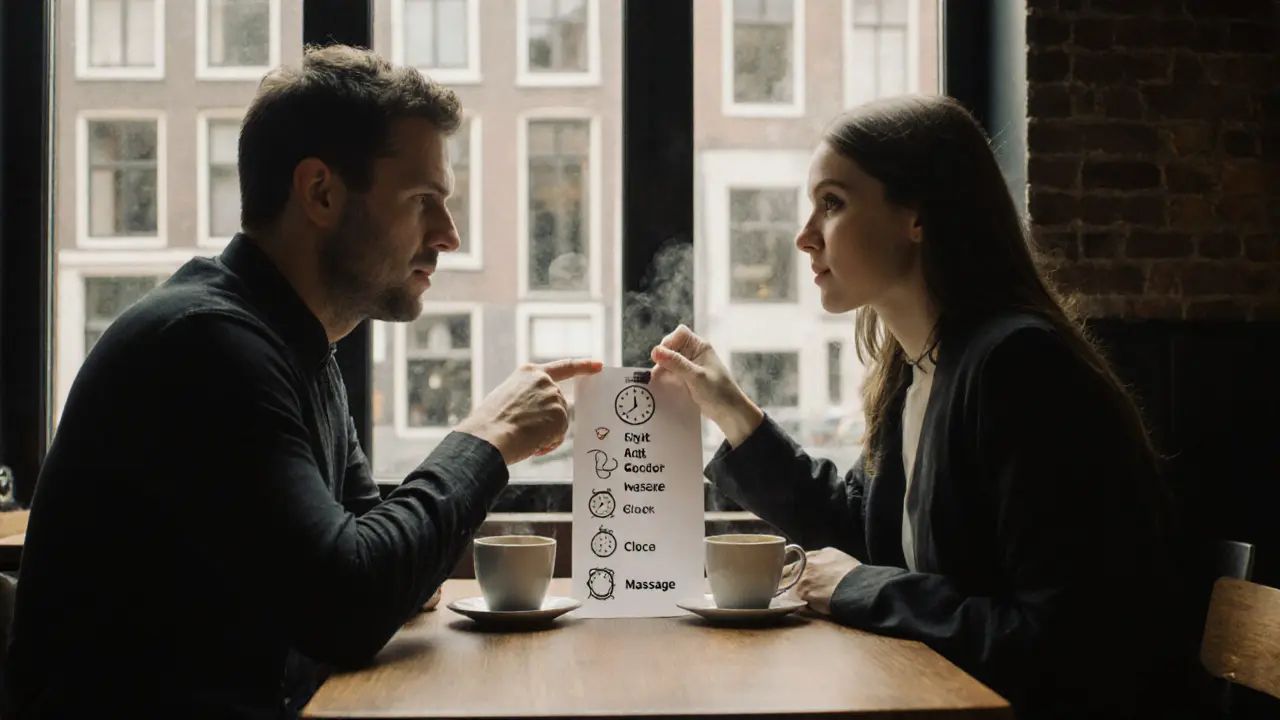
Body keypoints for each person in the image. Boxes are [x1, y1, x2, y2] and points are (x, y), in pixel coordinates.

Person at [3, 45, 600, 719]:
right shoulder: (206, 347)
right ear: (319, 192)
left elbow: (377, 564)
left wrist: (394, 563)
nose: (449, 235)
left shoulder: (296, 348)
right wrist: (487, 437)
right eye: (422, 200)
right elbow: (348, 605)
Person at [651, 95, 1183, 719]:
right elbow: (862, 529)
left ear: (919, 215)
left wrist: (857, 587)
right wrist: (731, 409)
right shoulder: (914, 371)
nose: (804, 237)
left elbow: (1058, 640)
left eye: (833, 203)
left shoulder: (1022, 369)